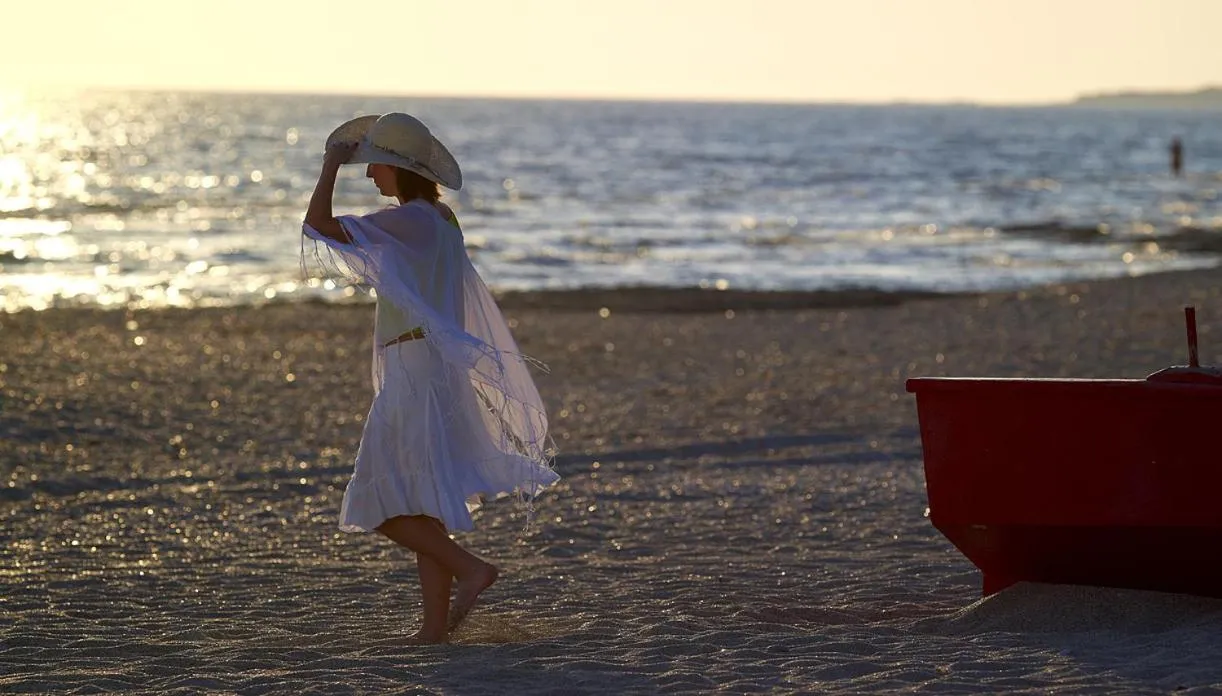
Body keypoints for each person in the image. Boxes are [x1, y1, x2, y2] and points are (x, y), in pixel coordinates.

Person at [302, 112, 559, 643]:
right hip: (435, 366)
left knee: (378, 503)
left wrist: (330, 163)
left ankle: (472, 569)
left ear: (399, 167)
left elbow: (318, 224)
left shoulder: (411, 220)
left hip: (415, 368)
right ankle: (434, 629)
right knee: (423, 500)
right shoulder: (443, 220)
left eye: (375, 164)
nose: (369, 174)